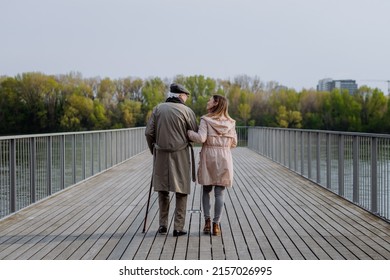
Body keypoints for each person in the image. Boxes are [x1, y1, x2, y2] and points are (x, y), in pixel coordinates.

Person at [145, 83, 198, 237]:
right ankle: (178, 227)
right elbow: (193, 134)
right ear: (181, 95)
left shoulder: (158, 109)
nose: (186, 99)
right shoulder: (187, 111)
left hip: (161, 154)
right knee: (181, 190)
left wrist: (154, 149)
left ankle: (162, 225)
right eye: (186, 96)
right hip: (180, 154)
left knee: (163, 189)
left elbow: (148, 133)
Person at [187, 95, 237, 236]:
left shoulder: (206, 120)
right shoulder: (231, 122)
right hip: (225, 157)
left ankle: (207, 222)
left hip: (209, 156)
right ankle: (216, 225)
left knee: (206, 190)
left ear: (215, 103)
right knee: (220, 192)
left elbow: (201, 138)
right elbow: (234, 143)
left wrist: (189, 132)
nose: (207, 101)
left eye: (209, 100)